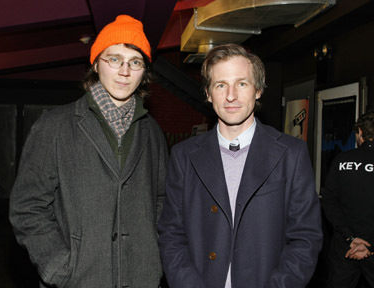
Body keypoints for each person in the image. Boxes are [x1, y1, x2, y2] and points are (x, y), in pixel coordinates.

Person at [9, 15, 168, 288]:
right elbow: (27, 207)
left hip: (142, 277)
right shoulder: (54, 126)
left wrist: (152, 255)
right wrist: (58, 266)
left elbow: (161, 199)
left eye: (135, 62)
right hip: (79, 280)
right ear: (95, 64)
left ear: (145, 71)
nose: (125, 71)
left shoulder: (151, 131)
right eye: (114, 59)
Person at [158, 43, 323, 288]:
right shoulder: (184, 156)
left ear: (258, 90)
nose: (231, 95)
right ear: (208, 93)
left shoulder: (291, 153)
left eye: (242, 83)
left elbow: (305, 239)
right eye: (221, 85)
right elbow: (171, 234)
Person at [321, 110, 374, 288]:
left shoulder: (342, 160)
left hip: (345, 247)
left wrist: (350, 238)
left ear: (359, 132)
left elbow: (328, 201)